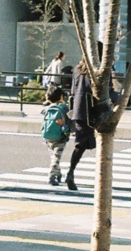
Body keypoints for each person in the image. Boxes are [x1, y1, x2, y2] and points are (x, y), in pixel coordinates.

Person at [64, 60, 96, 191]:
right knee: (103, 141)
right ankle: (71, 173)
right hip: (95, 110)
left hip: (79, 109)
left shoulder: (77, 70)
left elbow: (73, 91)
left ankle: (71, 171)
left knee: (80, 144)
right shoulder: (98, 69)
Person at [41, 86, 71, 185]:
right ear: (61, 96)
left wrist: (47, 102)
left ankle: (58, 173)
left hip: (48, 136)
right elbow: (70, 118)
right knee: (56, 157)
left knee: (54, 157)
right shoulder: (64, 108)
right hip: (60, 136)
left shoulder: (47, 108)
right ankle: (51, 176)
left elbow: (42, 112)